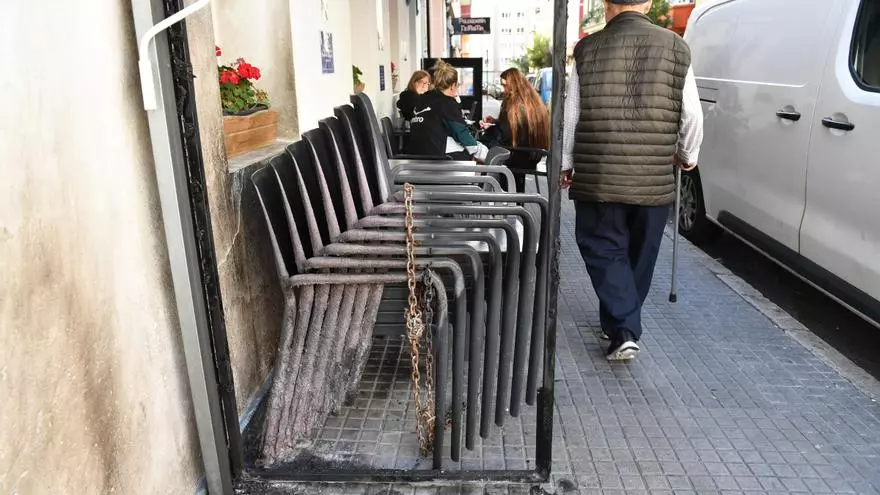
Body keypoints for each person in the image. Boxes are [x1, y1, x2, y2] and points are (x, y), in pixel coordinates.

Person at [560, 0, 704, 361]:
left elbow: (571, 113)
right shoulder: (676, 47)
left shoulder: (587, 48)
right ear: (649, 3)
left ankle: (622, 327)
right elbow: (691, 115)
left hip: (600, 173)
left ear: (606, 5)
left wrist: (565, 162)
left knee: (603, 247)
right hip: (653, 178)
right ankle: (621, 324)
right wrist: (687, 154)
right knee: (640, 254)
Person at [481, 67, 550, 192]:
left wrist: (492, 129)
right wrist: (497, 122)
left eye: (505, 85)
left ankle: (483, 190)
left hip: (516, 156)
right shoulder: (532, 101)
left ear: (513, 85)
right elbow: (520, 127)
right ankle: (512, 196)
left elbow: (507, 134)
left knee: (486, 149)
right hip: (532, 155)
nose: (503, 89)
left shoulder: (513, 103)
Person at [405, 60, 489, 161]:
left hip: (415, 156)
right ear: (453, 85)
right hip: (436, 158)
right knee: (473, 154)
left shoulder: (423, 99)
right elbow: (461, 134)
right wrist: (484, 153)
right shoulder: (446, 103)